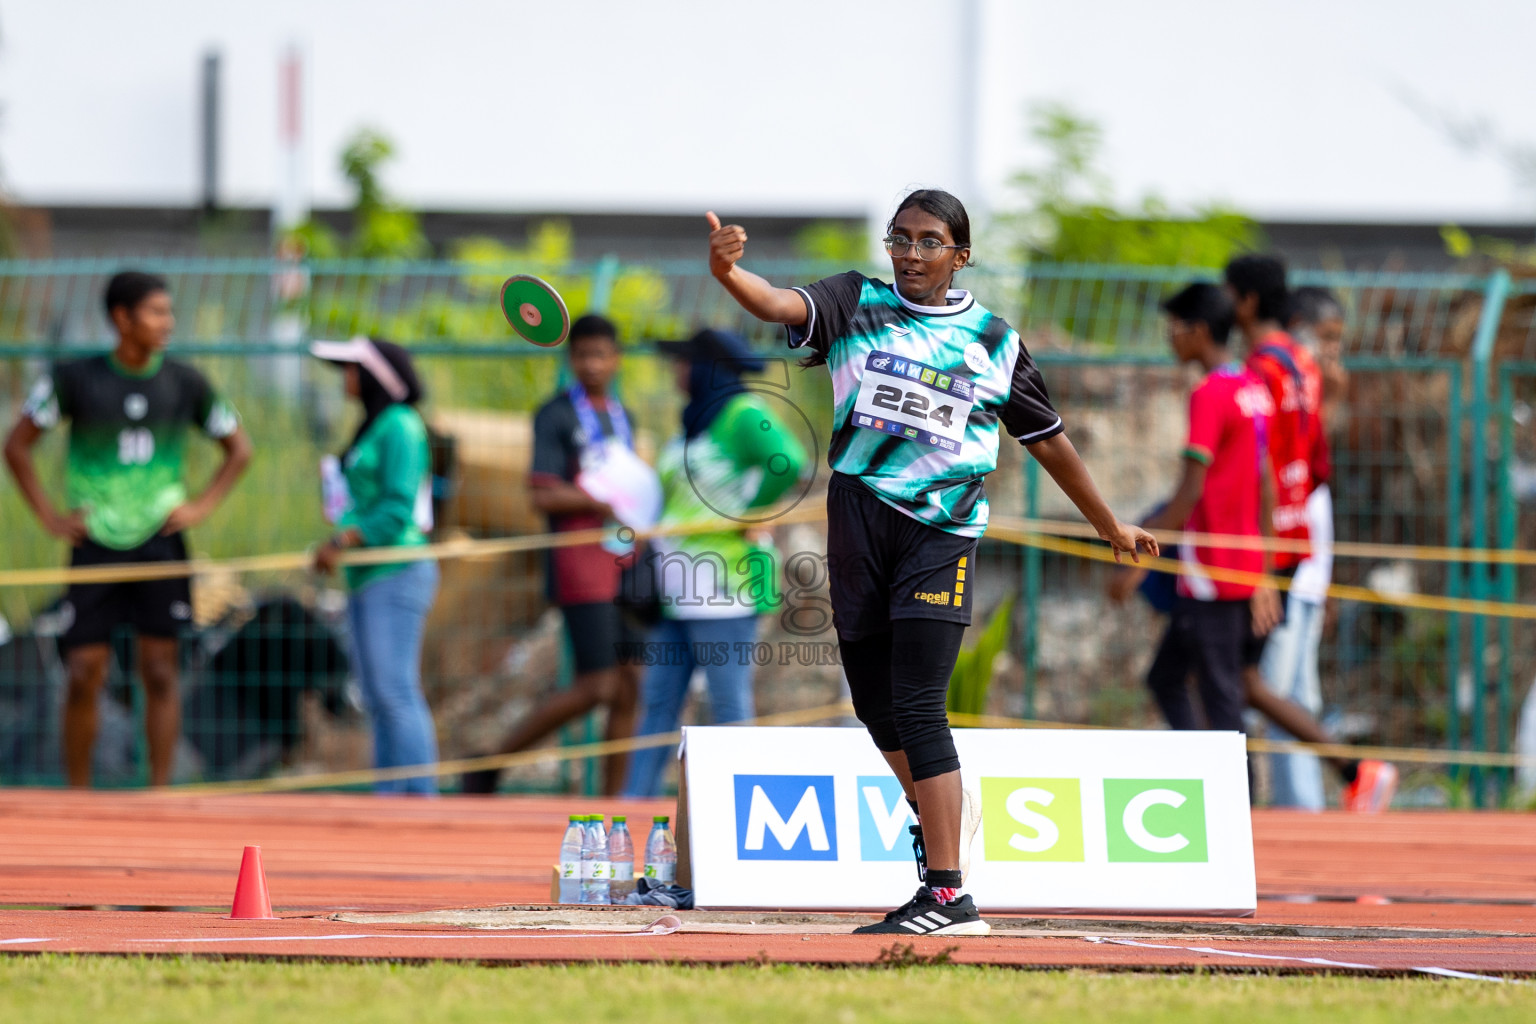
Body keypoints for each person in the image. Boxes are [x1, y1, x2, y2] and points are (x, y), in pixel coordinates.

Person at [705, 191, 1156, 936]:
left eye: (929, 241)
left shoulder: (993, 340)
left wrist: (1108, 523)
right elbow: (778, 305)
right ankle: (937, 811)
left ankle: (948, 896)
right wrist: (729, 276)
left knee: (918, 702)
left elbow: (1046, 439)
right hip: (856, 521)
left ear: (960, 253)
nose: (911, 253)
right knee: (874, 707)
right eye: (901, 239)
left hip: (939, 533)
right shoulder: (854, 302)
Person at [2, 270, 252, 787]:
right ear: (122, 318)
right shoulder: (74, 379)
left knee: (160, 671)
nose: (168, 322)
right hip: (95, 542)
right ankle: (78, 795)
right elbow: (17, 445)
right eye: (156, 312)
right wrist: (50, 516)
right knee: (82, 673)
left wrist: (201, 504)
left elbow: (239, 449)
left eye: (169, 311)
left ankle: (159, 794)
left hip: (161, 542)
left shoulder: (186, 382)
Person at [462, 314, 651, 796]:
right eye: (582, 355)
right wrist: (597, 501)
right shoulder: (555, 415)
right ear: (571, 360)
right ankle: (494, 761)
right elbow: (541, 493)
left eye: (601, 354)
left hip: (626, 562)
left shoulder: (624, 414)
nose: (592, 364)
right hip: (580, 563)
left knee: (631, 685)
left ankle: (615, 802)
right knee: (598, 685)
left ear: (616, 359)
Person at [619, 328, 810, 797]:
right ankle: (632, 810)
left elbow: (790, 459)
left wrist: (750, 512)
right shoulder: (694, 422)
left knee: (727, 705)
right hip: (676, 591)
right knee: (657, 704)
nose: (676, 371)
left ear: (707, 367)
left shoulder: (744, 412)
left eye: (684, 361)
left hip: (724, 589)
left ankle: (741, 817)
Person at [1122, 283, 1283, 737]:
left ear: (1199, 331)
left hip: (1212, 572)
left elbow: (1190, 492)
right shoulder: (1252, 387)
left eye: (1174, 328)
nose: (1170, 337)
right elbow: (1266, 482)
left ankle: (1238, 799)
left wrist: (1139, 559)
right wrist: (1265, 566)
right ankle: (1208, 779)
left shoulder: (1210, 393)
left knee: (1220, 694)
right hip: (1242, 564)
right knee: (1169, 678)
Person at [309, 337, 439, 796]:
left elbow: (396, 509)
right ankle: (389, 801)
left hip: (396, 569)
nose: (344, 378)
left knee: (396, 691)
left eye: (350, 369)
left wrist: (342, 538)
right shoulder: (376, 426)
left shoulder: (401, 424)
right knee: (378, 696)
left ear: (374, 376)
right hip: (365, 574)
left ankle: (422, 800)